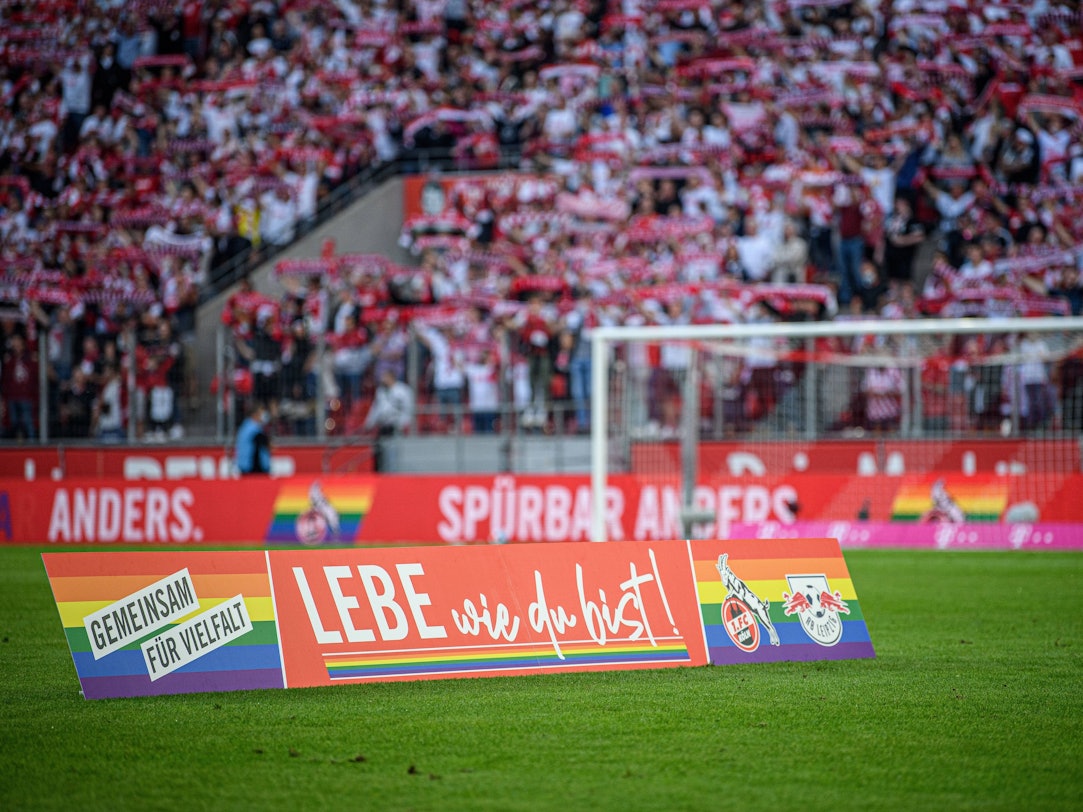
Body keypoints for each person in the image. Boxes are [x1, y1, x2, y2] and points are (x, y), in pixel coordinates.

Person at [235, 404, 272, 475]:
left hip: (246, 466)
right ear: (255, 414)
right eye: (262, 413)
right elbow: (265, 442)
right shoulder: (252, 429)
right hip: (252, 468)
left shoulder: (246, 426)